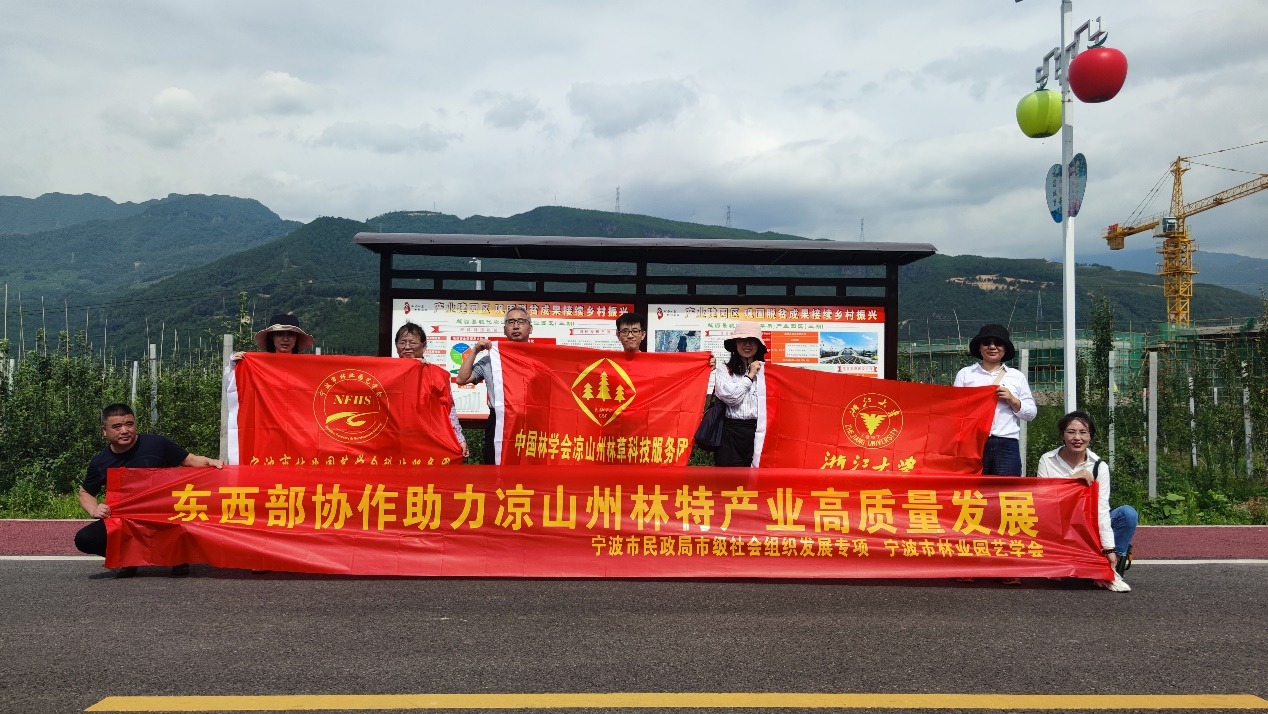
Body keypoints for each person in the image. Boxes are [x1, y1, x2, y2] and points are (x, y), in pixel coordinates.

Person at [74, 403, 224, 577]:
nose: (125, 430)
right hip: (127, 522)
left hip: (166, 517)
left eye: (129, 424)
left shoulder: (157, 444)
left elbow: (189, 460)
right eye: (117, 426)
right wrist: (94, 509)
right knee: (85, 539)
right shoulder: (100, 461)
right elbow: (85, 492)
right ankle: (129, 558)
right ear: (104, 431)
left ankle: (178, 557)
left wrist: (210, 462)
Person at [1037, 410, 1137, 593]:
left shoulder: (1099, 466)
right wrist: (1073, 480)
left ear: (1090, 436)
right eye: (1071, 432)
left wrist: (1109, 549)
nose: (1077, 438)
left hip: (1088, 524)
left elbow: (1101, 508)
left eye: (1083, 432)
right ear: (1062, 435)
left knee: (1127, 514)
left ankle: (1109, 568)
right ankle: (1061, 561)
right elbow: (1044, 501)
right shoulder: (1047, 460)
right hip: (1059, 526)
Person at [953, 324, 1036, 476]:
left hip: (1006, 443)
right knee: (971, 488)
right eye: (987, 343)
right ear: (979, 348)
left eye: (998, 343)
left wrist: (1012, 399)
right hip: (973, 442)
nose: (992, 347)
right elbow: (955, 411)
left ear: (1005, 349)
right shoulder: (965, 374)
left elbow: (1030, 414)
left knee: (1007, 489)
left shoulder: (1016, 376)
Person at [455, 307, 533, 464]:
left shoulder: (540, 358)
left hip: (532, 422)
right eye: (511, 322)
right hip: (499, 421)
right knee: (495, 468)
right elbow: (462, 379)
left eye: (521, 321)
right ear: (504, 330)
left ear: (530, 328)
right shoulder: (491, 360)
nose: (516, 326)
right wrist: (475, 350)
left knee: (530, 469)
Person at [395, 322, 469, 459]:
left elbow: (449, 410)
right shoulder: (388, 374)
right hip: (395, 439)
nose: (407, 347)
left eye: (412, 342)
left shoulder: (437, 375)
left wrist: (459, 439)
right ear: (396, 346)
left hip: (428, 439)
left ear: (424, 346)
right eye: (402, 342)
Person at [712, 321, 765, 467]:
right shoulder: (724, 370)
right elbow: (731, 397)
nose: (747, 345)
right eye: (742, 340)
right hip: (730, 433)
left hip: (759, 432)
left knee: (757, 477)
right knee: (729, 478)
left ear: (758, 345)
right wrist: (750, 375)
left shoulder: (767, 373)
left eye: (752, 340)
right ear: (735, 343)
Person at [231, 313, 313, 361]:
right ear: (271, 336)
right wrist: (236, 365)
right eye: (280, 334)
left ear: (297, 337)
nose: (285, 339)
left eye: (291, 334)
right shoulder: (259, 364)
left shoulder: (307, 365)